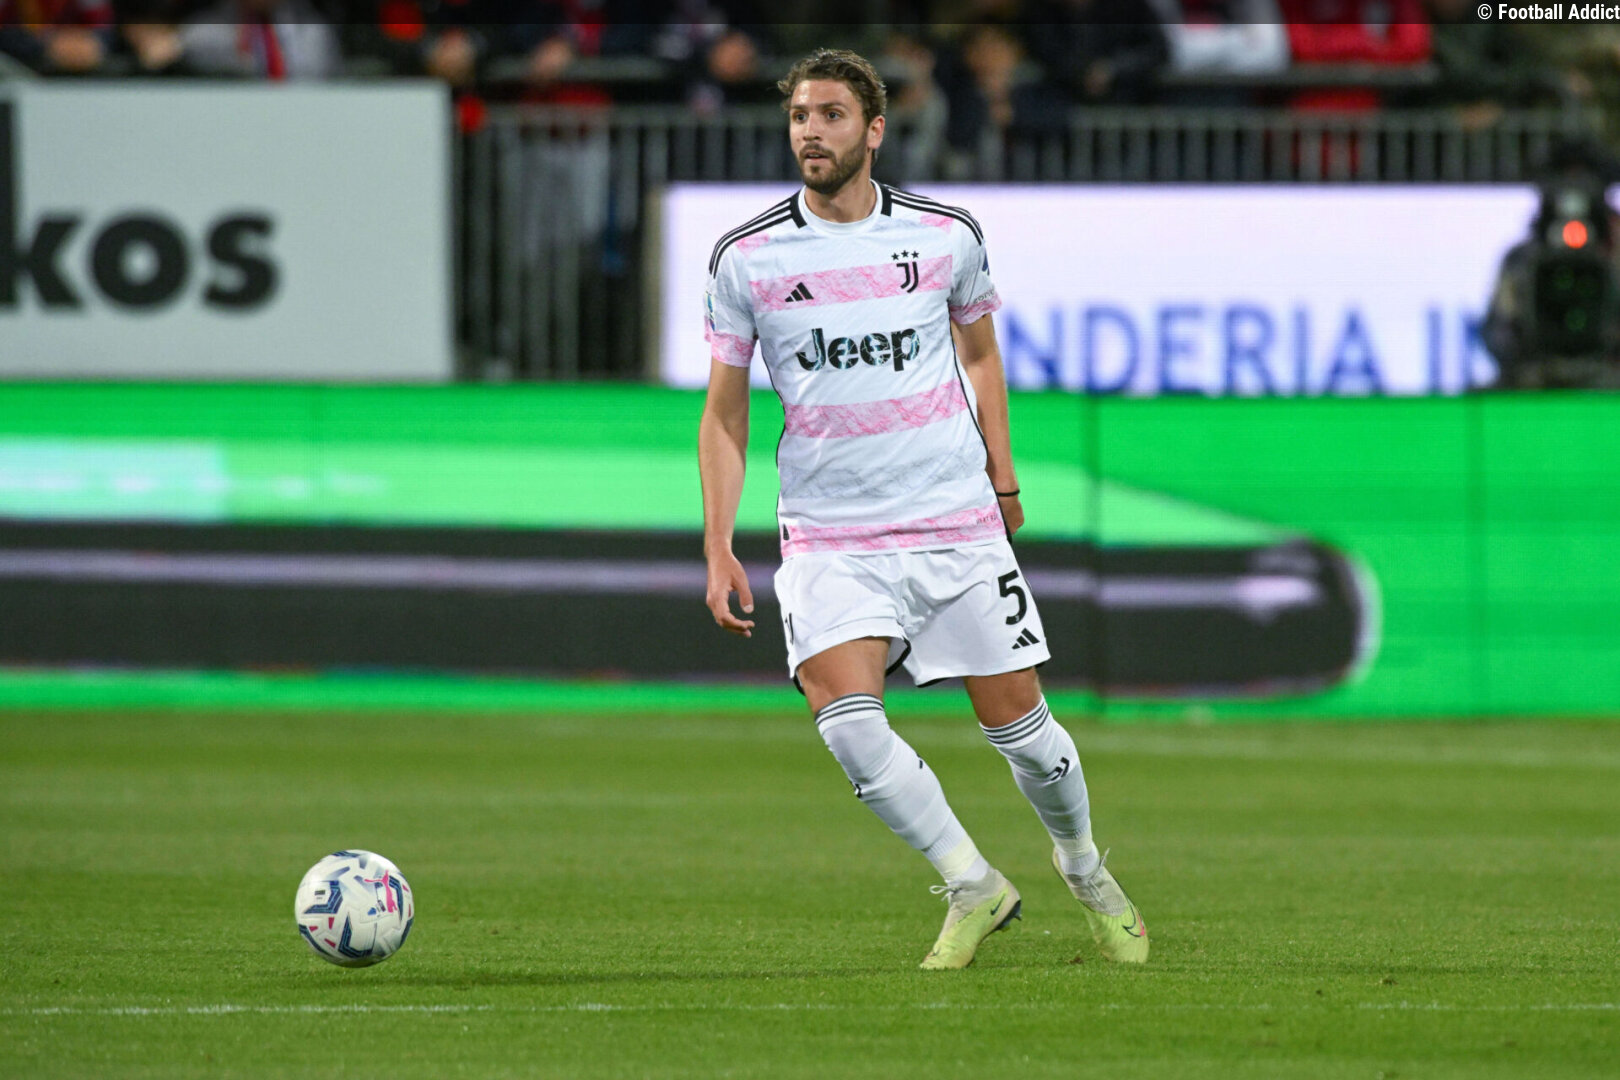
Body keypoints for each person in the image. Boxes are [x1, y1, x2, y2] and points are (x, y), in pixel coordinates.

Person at [697, 47, 1148, 971]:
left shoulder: (945, 236)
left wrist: (1004, 479)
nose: (810, 132)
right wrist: (717, 543)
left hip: (951, 517)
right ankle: (972, 883)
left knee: (1025, 734)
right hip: (830, 532)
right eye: (799, 116)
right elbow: (725, 413)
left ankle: (1083, 865)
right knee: (847, 720)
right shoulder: (747, 258)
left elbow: (981, 356)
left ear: (874, 129)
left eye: (830, 115)